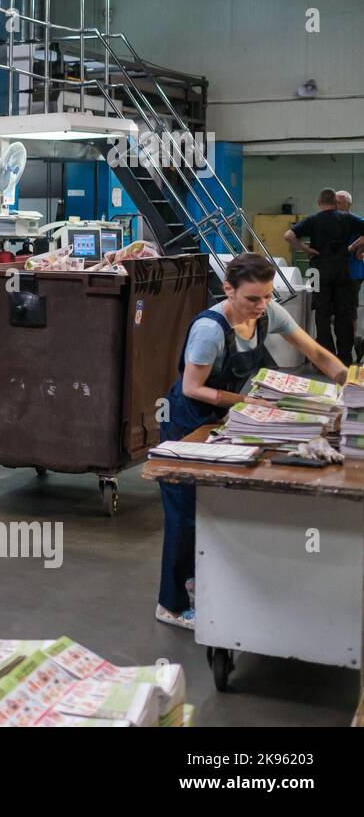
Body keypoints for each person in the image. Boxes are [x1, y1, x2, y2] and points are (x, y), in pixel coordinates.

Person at [155, 253, 346, 629]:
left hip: (226, 422)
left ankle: (195, 577)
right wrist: (249, 401)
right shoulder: (210, 329)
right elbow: (193, 388)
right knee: (185, 516)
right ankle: (171, 604)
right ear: (228, 290)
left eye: (268, 297)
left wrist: (349, 386)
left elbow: (317, 353)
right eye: (252, 299)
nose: (262, 306)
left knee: (217, 508)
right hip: (188, 424)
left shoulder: (269, 314)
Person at [284, 188, 364, 364]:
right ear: (336, 203)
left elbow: (288, 235)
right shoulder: (347, 218)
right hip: (343, 270)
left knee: (321, 314)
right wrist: (354, 248)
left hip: (317, 270)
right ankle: (344, 358)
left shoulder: (313, 219)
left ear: (319, 203)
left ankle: (325, 360)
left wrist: (306, 249)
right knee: (345, 313)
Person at [337, 190, 364, 361]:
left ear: (348, 204)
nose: (336, 205)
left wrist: (353, 247)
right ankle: (356, 341)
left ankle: (355, 342)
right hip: (335, 272)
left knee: (348, 310)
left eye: (339, 202)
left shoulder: (355, 221)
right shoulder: (332, 221)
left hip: (353, 272)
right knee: (334, 312)